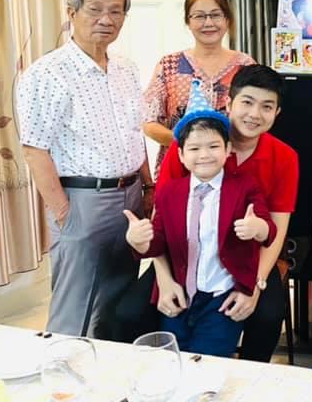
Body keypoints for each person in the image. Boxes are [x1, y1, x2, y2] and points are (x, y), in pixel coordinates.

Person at [114, 66, 298, 362]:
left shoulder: (284, 157)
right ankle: (154, 369)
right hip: (181, 255)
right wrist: (165, 280)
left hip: (246, 258)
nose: (254, 114)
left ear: (277, 113)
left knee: (267, 315)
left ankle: (248, 378)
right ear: (229, 103)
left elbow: (276, 227)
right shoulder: (190, 147)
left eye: (267, 107)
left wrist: (254, 284)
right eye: (247, 102)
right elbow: (162, 223)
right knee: (128, 314)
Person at [16, 0, 153, 338]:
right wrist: (64, 214)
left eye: (116, 11)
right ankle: (61, 371)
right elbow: (34, 149)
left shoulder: (126, 68)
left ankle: (108, 369)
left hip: (131, 196)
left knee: (118, 301)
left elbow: (134, 132)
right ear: (72, 12)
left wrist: (148, 186)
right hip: (82, 200)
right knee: (76, 308)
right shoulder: (47, 73)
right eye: (95, 9)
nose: (106, 19)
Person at [124, 107, 277, 357]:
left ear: (228, 149)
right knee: (173, 358)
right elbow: (158, 243)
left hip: (221, 299)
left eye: (213, 146)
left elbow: (269, 231)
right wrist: (139, 241)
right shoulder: (170, 192)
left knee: (208, 361)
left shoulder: (244, 187)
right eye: (194, 148)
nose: (204, 155)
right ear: (181, 155)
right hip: (180, 297)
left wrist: (257, 228)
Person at [143, 0, 254, 172]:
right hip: (178, 170)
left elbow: (256, 118)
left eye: (216, 15)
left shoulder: (245, 66)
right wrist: (187, 143)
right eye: (199, 16)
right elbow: (148, 122)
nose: (208, 23)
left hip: (233, 170)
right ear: (188, 21)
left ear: (227, 19)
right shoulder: (170, 65)